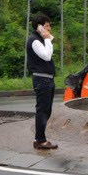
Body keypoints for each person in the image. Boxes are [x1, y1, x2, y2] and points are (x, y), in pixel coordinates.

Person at [27, 13, 58, 150]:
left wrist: (46, 39)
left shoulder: (39, 40)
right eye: (47, 25)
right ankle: (40, 140)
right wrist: (47, 39)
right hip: (42, 79)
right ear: (40, 27)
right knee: (42, 110)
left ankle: (40, 138)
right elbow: (46, 56)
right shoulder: (35, 41)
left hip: (47, 79)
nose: (49, 28)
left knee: (47, 110)